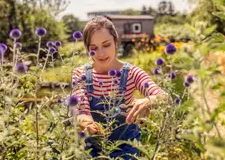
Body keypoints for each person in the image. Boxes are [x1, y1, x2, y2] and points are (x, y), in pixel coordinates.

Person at [72, 16, 170, 159]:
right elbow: (82, 110)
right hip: (92, 150)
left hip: (126, 149)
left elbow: (165, 98)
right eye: (94, 49)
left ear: (116, 42)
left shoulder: (131, 73)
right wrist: (86, 123)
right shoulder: (80, 75)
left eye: (106, 45)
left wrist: (150, 100)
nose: (101, 53)